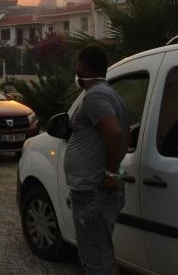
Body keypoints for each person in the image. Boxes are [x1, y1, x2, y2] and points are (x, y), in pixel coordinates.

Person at [64, 45, 128, 275]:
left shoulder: (95, 96)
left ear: (81, 66)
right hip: (95, 188)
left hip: (93, 191)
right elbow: (123, 134)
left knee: (95, 258)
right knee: (102, 252)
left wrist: (110, 174)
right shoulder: (110, 93)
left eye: (77, 65)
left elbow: (114, 132)